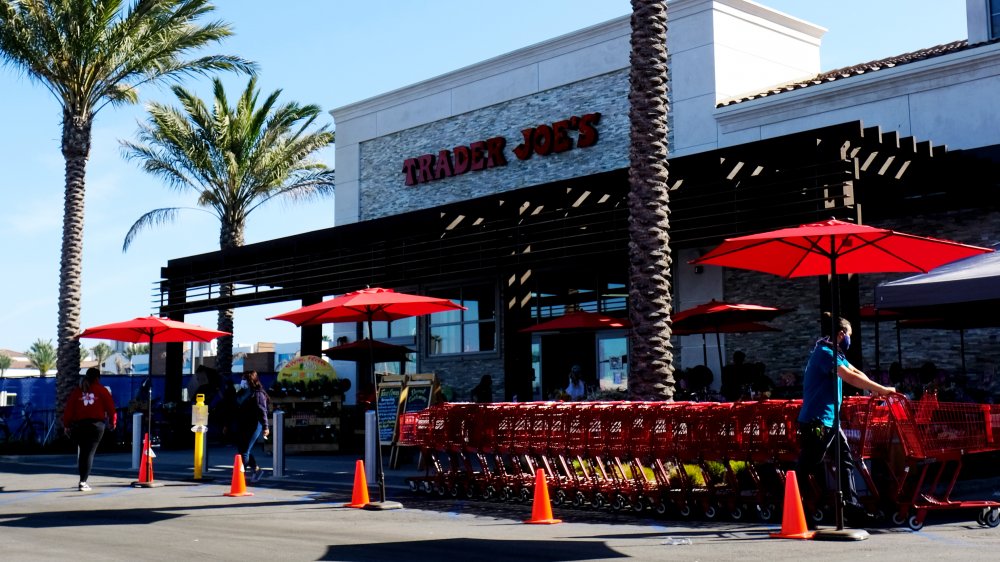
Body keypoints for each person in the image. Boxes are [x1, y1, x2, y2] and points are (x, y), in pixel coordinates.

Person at [796, 317, 895, 527]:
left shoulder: (834, 353)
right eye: (849, 335)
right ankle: (795, 508)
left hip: (831, 422)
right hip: (818, 422)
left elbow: (855, 371)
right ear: (841, 334)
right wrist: (883, 390)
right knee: (808, 466)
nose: (850, 339)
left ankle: (852, 510)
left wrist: (872, 386)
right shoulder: (825, 354)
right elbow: (848, 377)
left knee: (846, 463)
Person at [62, 368, 117, 491]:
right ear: (98, 378)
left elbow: (68, 410)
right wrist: (113, 422)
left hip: (79, 426)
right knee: (89, 453)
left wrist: (66, 425)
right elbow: (111, 408)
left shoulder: (77, 391)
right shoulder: (102, 390)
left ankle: (82, 480)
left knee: (83, 452)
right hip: (96, 426)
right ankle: (83, 481)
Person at [234, 371, 270, 483]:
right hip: (242, 424)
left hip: (254, 425)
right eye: (242, 379)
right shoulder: (241, 392)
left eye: (244, 379)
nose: (242, 381)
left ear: (251, 380)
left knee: (244, 451)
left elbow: (262, 410)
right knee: (242, 449)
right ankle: (256, 470)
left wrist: (265, 427)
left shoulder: (258, 393)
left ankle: (240, 475)